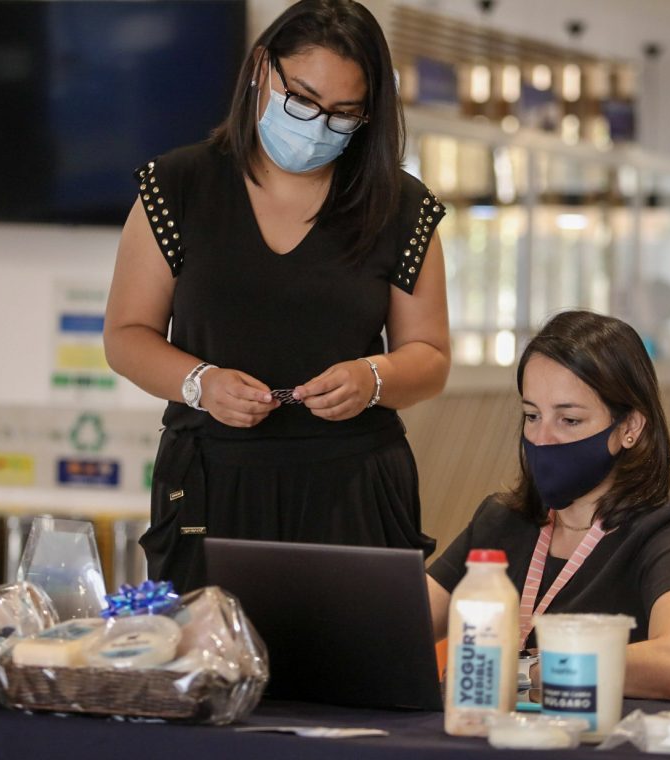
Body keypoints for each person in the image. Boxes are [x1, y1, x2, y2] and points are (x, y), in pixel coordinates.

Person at [103, 0, 450, 591]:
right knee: (210, 649)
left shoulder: (400, 207)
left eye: (343, 114)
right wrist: (200, 383)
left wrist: (373, 378)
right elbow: (125, 336)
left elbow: (431, 356)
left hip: (354, 487)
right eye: (303, 100)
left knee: (354, 650)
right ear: (263, 68)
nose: (317, 126)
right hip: (211, 483)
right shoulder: (177, 186)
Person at [427, 310, 670, 701]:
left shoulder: (669, 530)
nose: (542, 438)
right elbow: (402, 621)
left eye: (568, 420)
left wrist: (533, 670)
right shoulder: (502, 520)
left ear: (630, 427)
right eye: (532, 415)